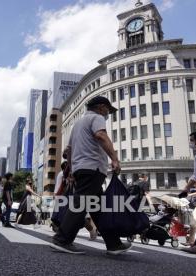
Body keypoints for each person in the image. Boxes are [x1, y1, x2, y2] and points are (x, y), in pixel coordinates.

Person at [50, 96, 131, 255]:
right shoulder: (97, 118)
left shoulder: (77, 125)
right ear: (101, 107)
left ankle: (113, 243)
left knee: (98, 208)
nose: (108, 113)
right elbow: (101, 136)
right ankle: (62, 239)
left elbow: (69, 150)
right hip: (92, 168)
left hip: (81, 169)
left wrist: (72, 170)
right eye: (108, 110)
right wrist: (114, 158)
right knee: (81, 203)